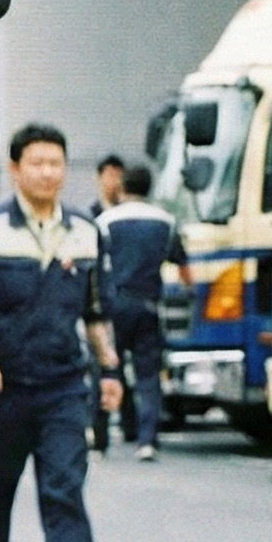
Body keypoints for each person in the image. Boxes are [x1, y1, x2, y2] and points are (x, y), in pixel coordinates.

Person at [0, 123, 124, 542]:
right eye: (37, 162)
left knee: (64, 487)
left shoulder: (86, 233)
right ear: (15, 169)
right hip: (4, 386)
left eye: (56, 163)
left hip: (63, 386)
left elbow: (96, 310)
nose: (49, 172)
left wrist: (111, 369)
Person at [97, 162, 187, 460]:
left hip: (115, 305)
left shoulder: (105, 221)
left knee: (109, 367)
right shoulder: (166, 222)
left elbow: (95, 267)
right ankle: (147, 440)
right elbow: (185, 270)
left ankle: (100, 439)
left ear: (123, 187)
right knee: (148, 375)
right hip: (149, 304)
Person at [85, 153, 128, 454]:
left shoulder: (130, 214)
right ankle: (100, 433)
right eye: (109, 175)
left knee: (122, 369)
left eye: (118, 175)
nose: (114, 181)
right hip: (102, 304)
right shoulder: (91, 218)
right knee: (102, 365)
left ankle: (133, 427)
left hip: (126, 300)